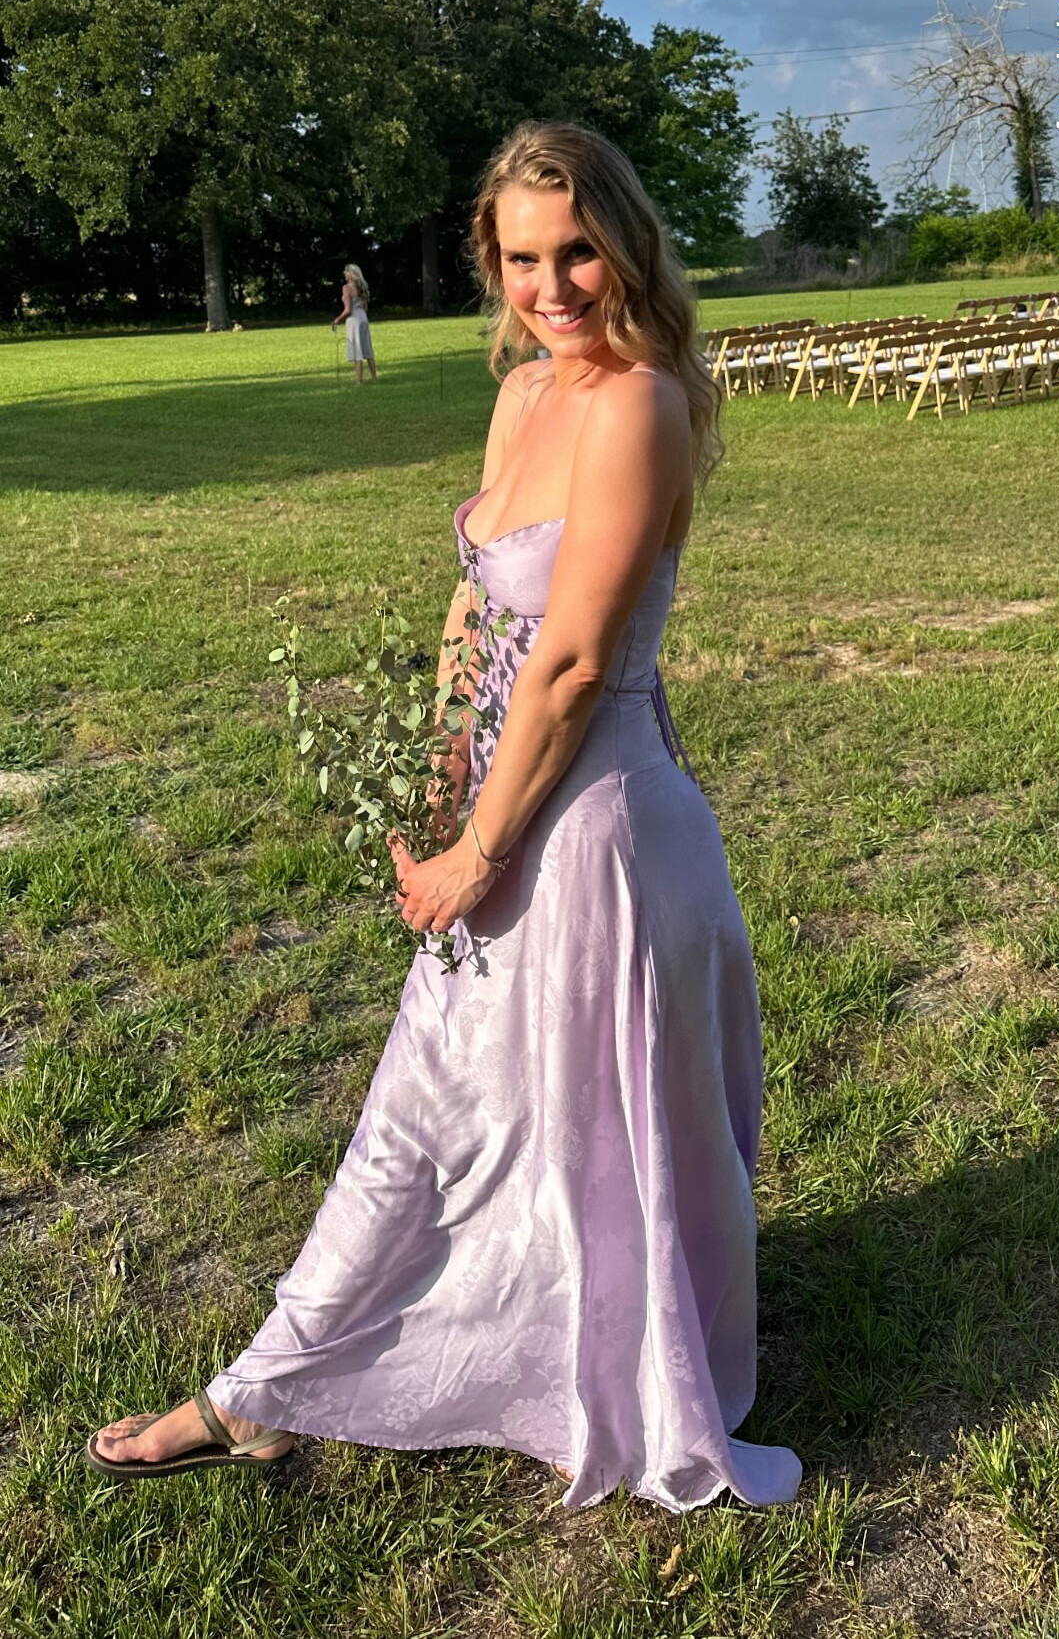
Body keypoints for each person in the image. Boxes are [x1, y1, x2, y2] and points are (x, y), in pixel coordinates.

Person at [86, 122, 802, 1513]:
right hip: (502, 798)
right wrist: (438, 781)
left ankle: (283, 1391)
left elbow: (575, 660)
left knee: (532, 1114)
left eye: (579, 250)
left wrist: (482, 848)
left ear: (627, 243)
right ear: (492, 260)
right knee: (444, 1111)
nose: (554, 285)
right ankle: (278, 1383)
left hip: (599, 835)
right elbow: (478, 606)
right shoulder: (524, 392)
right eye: (524, 258)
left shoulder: (641, 404)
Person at [333, 262, 376, 384]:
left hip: (354, 320)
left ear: (350, 274)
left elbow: (348, 310)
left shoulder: (346, 288)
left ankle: (359, 380)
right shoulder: (361, 287)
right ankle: (374, 378)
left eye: (346, 272)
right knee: (368, 349)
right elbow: (365, 306)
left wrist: (337, 319)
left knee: (357, 351)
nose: (344, 274)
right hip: (363, 317)